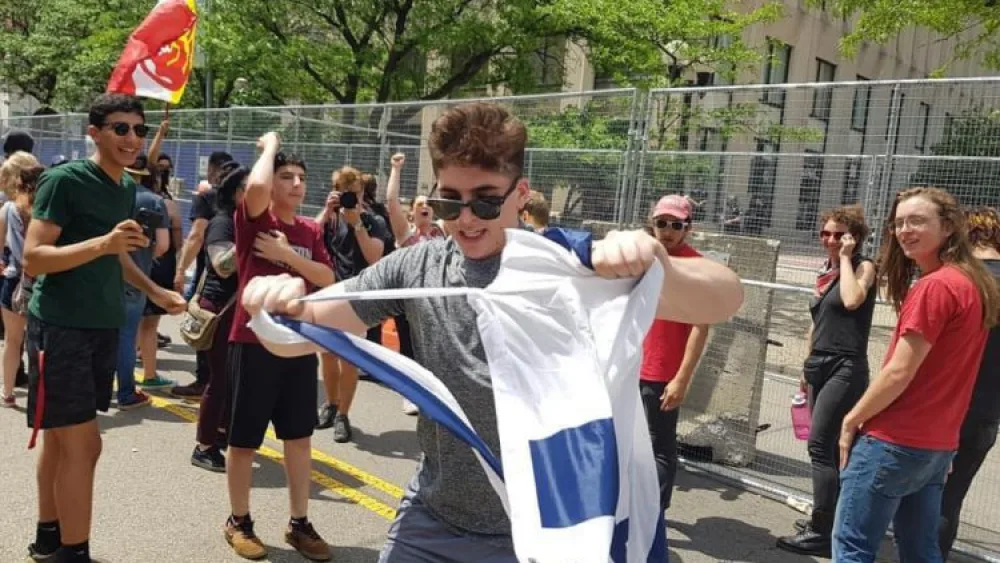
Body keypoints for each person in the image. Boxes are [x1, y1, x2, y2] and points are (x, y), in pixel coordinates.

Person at [241, 102, 744, 562]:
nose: (464, 218)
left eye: (485, 202)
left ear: (520, 194)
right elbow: (306, 331)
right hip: (433, 516)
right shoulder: (417, 267)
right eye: (448, 202)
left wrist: (656, 263)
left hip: (545, 533)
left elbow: (725, 298)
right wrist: (272, 303)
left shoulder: (567, 265)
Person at [22, 93, 185, 563]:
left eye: (138, 129)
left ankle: (49, 536)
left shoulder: (122, 188)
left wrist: (155, 292)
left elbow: (115, 255)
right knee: (85, 446)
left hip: (100, 326)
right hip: (61, 326)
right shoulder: (64, 180)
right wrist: (103, 243)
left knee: (61, 438)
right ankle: (74, 552)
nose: (132, 138)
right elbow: (34, 258)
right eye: (120, 128)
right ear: (93, 132)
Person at [832, 187, 1000, 563]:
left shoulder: (936, 286)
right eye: (900, 222)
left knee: (852, 549)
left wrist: (852, 418)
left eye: (918, 221)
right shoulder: (974, 284)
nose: (905, 230)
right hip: (936, 446)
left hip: (893, 440)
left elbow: (899, 372)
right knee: (921, 551)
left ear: (948, 227)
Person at [223, 134, 334, 561]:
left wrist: (290, 257)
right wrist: (269, 148)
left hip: (299, 346)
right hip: (252, 345)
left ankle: (299, 522)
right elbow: (255, 189)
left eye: (301, 178)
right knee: (244, 440)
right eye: (285, 176)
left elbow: (325, 277)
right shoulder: (255, 219)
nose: (294, 183)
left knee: (299, 437)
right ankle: (239, 520)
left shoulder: (308, 229)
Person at [777, 205, 876, 557]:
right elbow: (817, 321)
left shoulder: (862, 267)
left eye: (839, 235)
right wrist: (805, 367)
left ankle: (823, 530)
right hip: (819, 364)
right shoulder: (826, 270)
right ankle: (829, 520)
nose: (831, 240)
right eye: (826, 234)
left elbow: (851, 300)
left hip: (845, 367)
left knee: (821, 446)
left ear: (855, 237)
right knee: (827, 448)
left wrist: (847, 258)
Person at [640, 194, 711, 515]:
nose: (667, 230)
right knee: (630, 442)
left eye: (675, 224)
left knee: (659, 446)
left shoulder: (696, 266)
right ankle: (633, 509)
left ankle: (653, 516)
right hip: (632, 364)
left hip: (664, 371)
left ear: (688, 228)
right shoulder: (643, 256)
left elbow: (701, 326)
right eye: (661, 223)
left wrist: (682, 378)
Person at [938, 206, 1000, 558]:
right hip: (987, 410)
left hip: (945, 405)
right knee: (952, 496)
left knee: (925, 492)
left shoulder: (960, 279)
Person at [315, 165, 390, 442]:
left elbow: (374, 257)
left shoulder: (374, 221)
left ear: (362, 192)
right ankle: (331, 404)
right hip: (328, 292)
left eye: (354, 192)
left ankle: (344, 415)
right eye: (343, 192)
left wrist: (357, 221)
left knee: (349, 359)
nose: (349, 198)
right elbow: (310, 235)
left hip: (357, 297)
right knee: (326, 353)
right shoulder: (330, 219)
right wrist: (327, 211)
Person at [190, 165, 248, 473]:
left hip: (238, 310)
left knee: (234, 379)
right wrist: (252, 244)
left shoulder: (244, 222)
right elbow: (222, 265)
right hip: (220, 308)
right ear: (237, 193)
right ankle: (204, 445)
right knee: (220, 379)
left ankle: (222, 435)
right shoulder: (223, 223)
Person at [383, 152, 445, 415]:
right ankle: (410, 394)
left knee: (435, 350)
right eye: (419, 203)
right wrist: (396, 169)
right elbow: (391, 202)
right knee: (409, 349)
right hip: (409, 305)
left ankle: (433, 393)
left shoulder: (441, 233)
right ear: (413, 213)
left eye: (428, 203)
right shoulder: (406, 237)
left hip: (437, 304)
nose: (425, 206)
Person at [171, 151, 235, 399]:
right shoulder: (248, 201)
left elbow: (197, 235)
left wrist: (180, 270)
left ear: (213, 171)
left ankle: (204, 381)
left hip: (209, 273)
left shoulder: (208, 198)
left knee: (203, 323)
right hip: (241, 277)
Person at [113, 156, 173, 410]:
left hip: (103, 273)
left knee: (100, 335)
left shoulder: (108, 195)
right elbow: (163, 246)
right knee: (127, 336)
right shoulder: (153, 200)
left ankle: (96, 390)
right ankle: (126, 392)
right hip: (137, 275)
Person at [0, 153, 42, 407]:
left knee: (13, 341)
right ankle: (41, 396)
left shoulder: (7, 209)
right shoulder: (46, 207)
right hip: (44, 279)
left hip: (14, 280)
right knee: (39, 343)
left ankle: (8, 393)